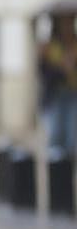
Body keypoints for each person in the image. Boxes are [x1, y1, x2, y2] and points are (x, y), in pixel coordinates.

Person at [38, 11, 77, 157]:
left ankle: (66, 173)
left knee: (71, 138)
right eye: (63, 21)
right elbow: (44, 74)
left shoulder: (75, 44)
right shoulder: (48, 46)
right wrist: (62, 68)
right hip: (55, 95)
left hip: (73, 94)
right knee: (55, 136)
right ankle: (56, 173)